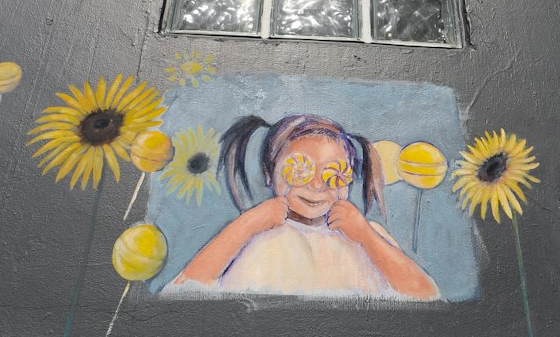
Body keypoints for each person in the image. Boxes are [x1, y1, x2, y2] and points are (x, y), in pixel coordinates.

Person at [174, 112, 439, 299]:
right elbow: (184, 291)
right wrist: (248, 223)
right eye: (299, 170)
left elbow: (427, 297)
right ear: (269, 173)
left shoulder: (366, 236)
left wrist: (366, 236)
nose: (316, 186)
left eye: (333, 174)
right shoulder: (252, 234)